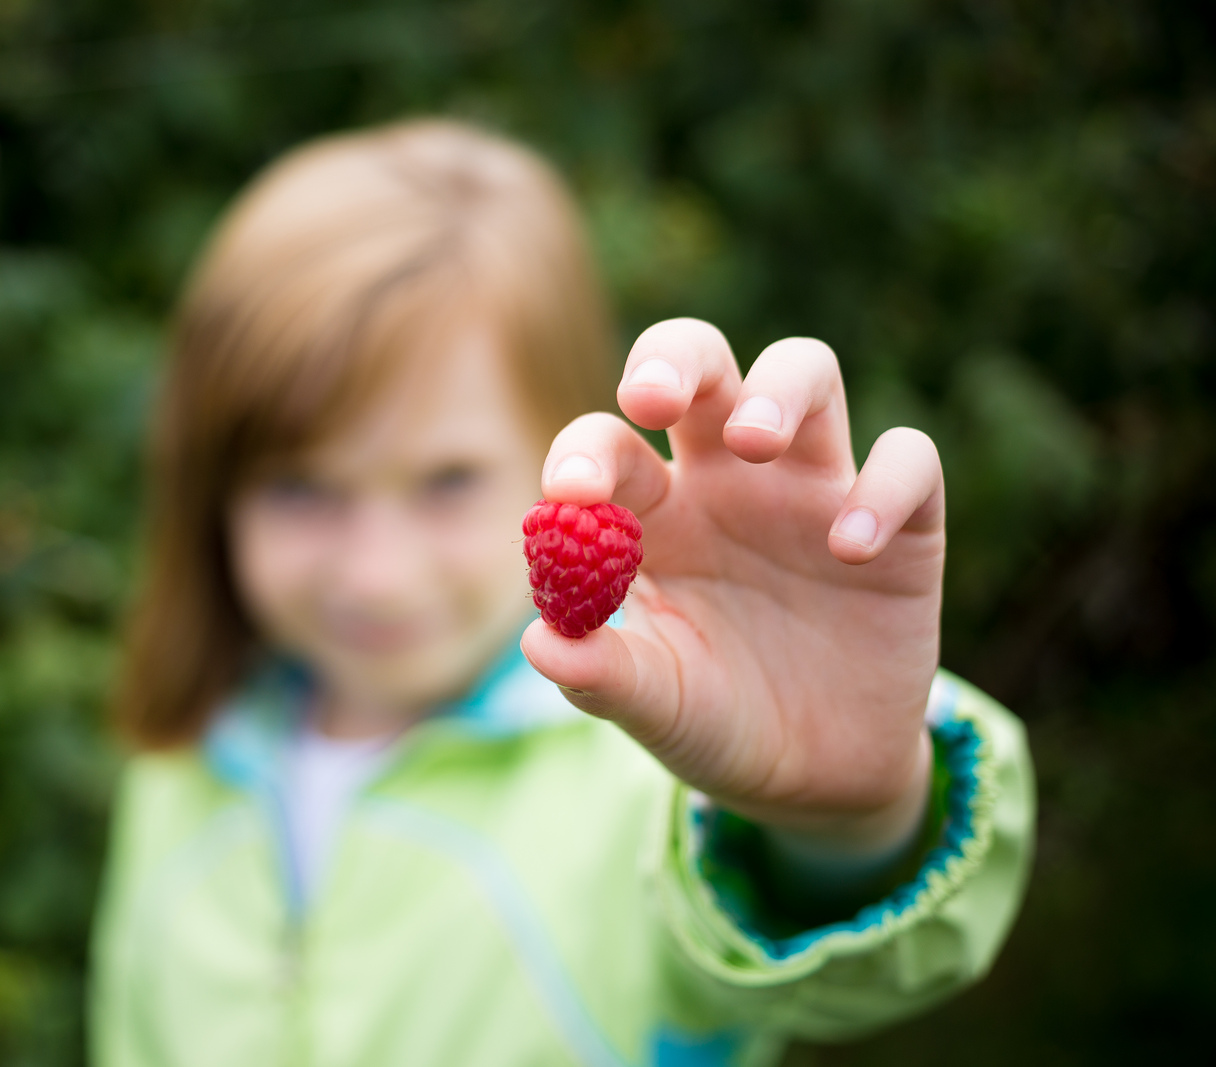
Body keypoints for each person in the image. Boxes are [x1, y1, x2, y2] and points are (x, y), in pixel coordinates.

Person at [91, 118, 1034, 1067]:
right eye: (301, 488)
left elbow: (833, 962)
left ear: (564, 439)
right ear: (210, 489)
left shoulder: (651, 767)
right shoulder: (180, 765)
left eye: (447, 479)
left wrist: (840, 820)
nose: (375, 572)